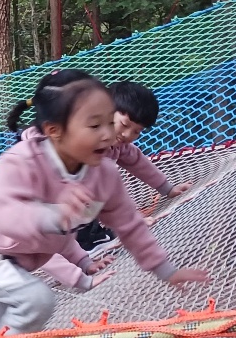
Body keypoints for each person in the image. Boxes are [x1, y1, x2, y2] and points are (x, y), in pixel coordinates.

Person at [0, 70, 210, 338]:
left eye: (134, 131)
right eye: (108, 125)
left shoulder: (100, 168)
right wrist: (73, 259)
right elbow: (21, 224)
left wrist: (160, 265)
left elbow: (108, 221)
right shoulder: (28, 165)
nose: (120, 136)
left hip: (11, 250)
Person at [75, 81, 194, 248]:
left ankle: (88, 235)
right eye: (124, 124)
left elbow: (138, 163)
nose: (127, 134)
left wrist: (167, 189)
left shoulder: (118, 145)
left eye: (136, 131)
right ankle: (82, 239)